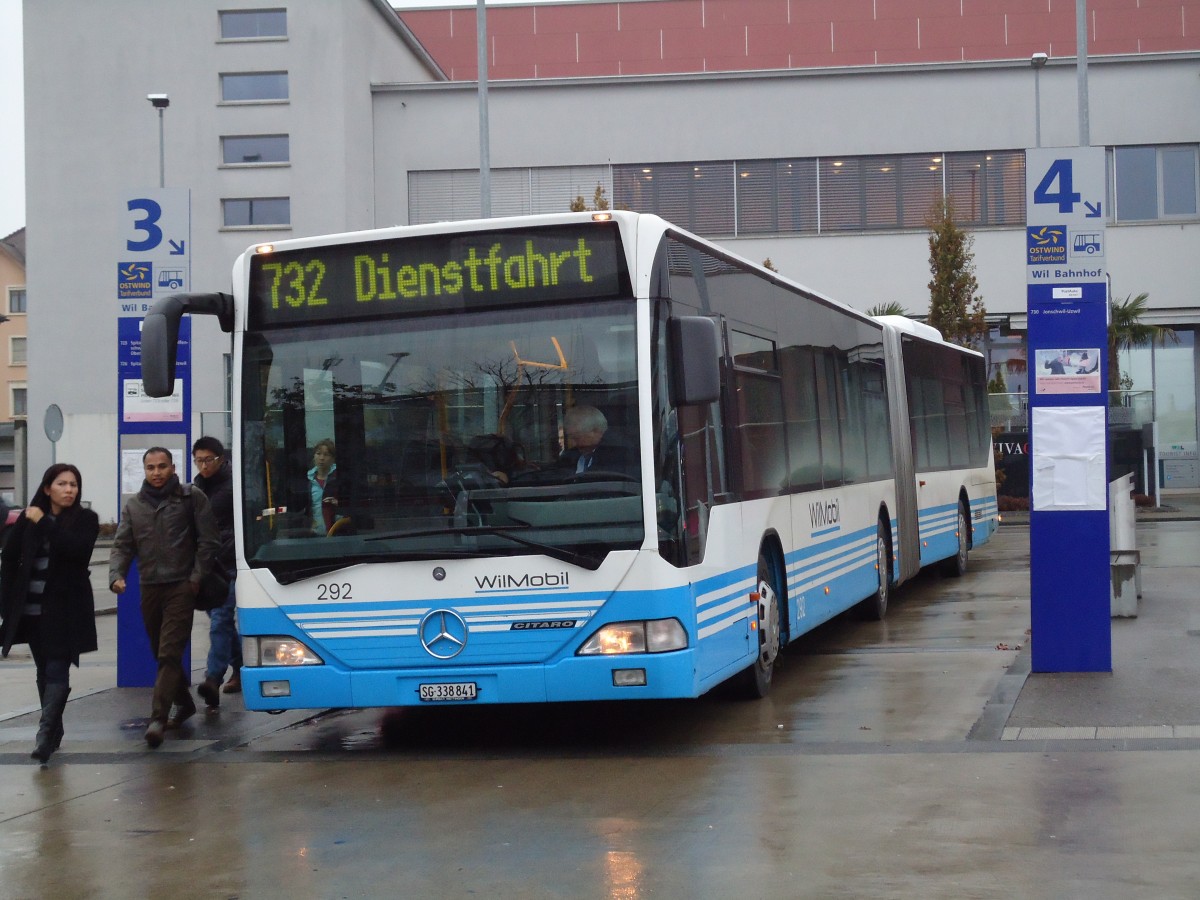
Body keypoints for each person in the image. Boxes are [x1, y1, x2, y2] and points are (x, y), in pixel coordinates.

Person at [109, 447, 219, 748]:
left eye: (162, 466)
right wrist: (116, 575)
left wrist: (195, 579)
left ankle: (158, 718)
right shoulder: (134, 506)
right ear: (144, 470)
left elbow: (209, 541)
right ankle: (184, 703)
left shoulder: (191, 497)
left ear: (172, 467)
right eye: (150, 467)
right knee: (161, 651)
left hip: (181, 587)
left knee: (170, 652)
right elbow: (122, 545)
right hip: (150, 587)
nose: (156, 472)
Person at [0, 464, 100, 764]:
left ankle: (43, 736)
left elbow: (76, 550)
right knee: (44, 670)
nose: (69, 490)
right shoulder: (29, 517)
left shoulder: (85, 519)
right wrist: (8, 602)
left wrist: (44, 522)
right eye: (62, 484)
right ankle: (54, 728)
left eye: (73, 485)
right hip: (31, 610)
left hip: (67, 609)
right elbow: (9, 558)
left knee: (57, 667)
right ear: (47, 488)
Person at [191, 437, 242, 707]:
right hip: (208, 565)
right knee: (220, 621)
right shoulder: (197, 487)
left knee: (220, 619)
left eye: (208, 460)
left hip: (230, 562)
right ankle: (242, 665)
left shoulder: (234, 485)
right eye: (199, 460)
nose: (204, 465)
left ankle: (213, 678)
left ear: (221, 459)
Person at [558, 405, 637, 476]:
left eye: (576, 437)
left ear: (596, 432)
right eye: (570, 437)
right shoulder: (571, 456)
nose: (573, 443)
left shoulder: (617, 456)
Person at [307, 438, 341, 534]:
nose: (321, 458)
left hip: (338, 532)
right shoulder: (308, 480)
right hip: (315, 533)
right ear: (314, 456)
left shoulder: (339, 478)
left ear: (333, 459)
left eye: (326, 455)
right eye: (318, 454)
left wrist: (339, 503)